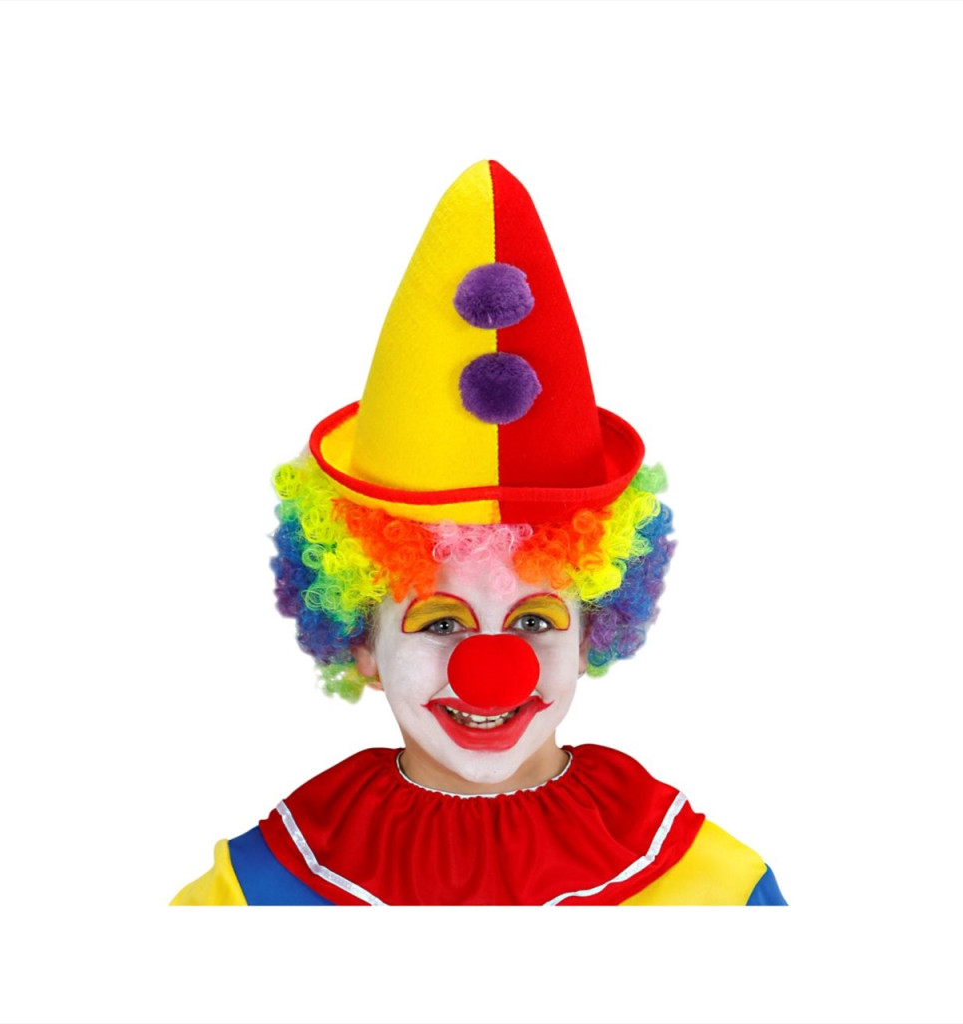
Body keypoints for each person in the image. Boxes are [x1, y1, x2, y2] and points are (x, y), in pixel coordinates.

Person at [171, 160, 786, 906]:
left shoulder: (712, 890)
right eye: (439, 622)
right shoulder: (259, 892)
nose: (493, 670)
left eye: (534, 620)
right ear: (361, 644)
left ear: (593, 635)